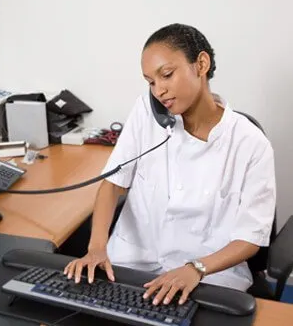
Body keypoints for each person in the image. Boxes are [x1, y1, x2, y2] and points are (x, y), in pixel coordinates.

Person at [64, 23, 276, 306]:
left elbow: (251, 237)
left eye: (166, 75)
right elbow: (113, 183)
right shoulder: (146, 114)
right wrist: (96, 248)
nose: (159, 90)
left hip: (208, 278)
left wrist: (196, 269)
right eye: (150, 82)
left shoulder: (250, 143)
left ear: (201, 64)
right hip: (131, 267)